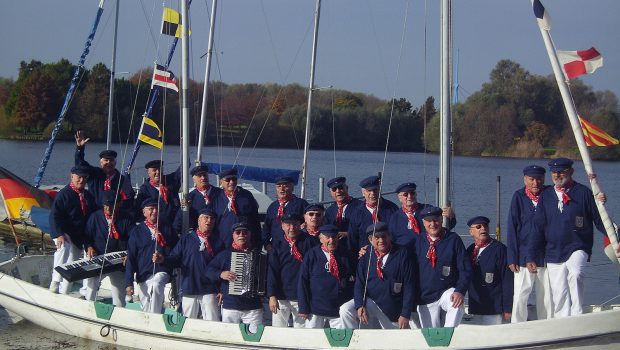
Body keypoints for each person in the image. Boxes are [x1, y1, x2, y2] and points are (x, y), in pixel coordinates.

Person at [528, 157, 609, 318]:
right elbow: (537, 227)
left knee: (576, 273)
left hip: (577, 246)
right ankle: (563, 320)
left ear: (571, 172)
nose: (557, 175)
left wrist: (615, 237)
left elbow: (599, 220)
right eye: (554, 172)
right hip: (553, 250)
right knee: (559, 291)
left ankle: (577, 313)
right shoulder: (546, 196)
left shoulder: (584, 193)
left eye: (561, 172)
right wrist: (531, 255)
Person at [340, 222, 415, 329]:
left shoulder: (402, 253)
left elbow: (409, 285)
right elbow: (359, 283)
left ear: (389, 236)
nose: (381, 241)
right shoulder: (366, 255)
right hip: (371, 302)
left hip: (392, 308)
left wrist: (405, 313)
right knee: (345, 309)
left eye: (384, 236)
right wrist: (359, 305)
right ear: (370, 240)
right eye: (376, 237)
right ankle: (353, 342)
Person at [153, 208, 224, 320]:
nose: (209, 221)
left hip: (210, 290)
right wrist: (163, 260)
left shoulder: (218, 243)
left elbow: (223, 267)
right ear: (199, 220)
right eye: (206, 217)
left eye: (212, 219)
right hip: (189, 288)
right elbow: (175, 258)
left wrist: (222, 289)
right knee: (187, 322)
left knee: (213, 322)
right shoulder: (186, 240)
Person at [507, 164, 553, 322]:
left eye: (539, 179)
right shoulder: (518, 197)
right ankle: (517, 326)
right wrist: (512, 257)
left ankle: (548, 326)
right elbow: (512, 228)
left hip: (547, 256)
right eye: (531, 179)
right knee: (520, 294)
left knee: (547, 296)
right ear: (524, 179)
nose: (535, 183)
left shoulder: (550, 195)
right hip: (523, 256)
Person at [415, 206, 471, 328]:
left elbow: (465, 269)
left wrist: (460, 290)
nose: (433, 224)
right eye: (429, 221)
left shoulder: (453, 239)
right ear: (423, 223)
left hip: (447, 290)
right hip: (425, 295)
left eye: (436, 220)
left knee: (456, 304)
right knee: (430, 333)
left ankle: (448, 334)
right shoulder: (417, 242)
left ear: (441, 220)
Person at [206, 221, 263, 331]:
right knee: (229, 335)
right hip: (231, 305)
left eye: (245, 232)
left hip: (253, 307)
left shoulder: (259, 255)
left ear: (250, 234)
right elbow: (208, 271)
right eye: (238, 232)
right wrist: (221, 274)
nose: (241, 235)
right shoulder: (225, 254)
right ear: (233, 235)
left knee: (254, 338)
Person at [49, 166, 96, 294]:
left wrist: (88, 243)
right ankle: (56, 281)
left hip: (78, 234)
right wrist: (59, 234)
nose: (81, 180)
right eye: (78, 177)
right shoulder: (64, 194)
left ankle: (64, 292)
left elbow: (89, 220)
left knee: (72, 264)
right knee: (63, 247)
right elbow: (54, 215)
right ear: (72, 176)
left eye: (84, 178)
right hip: (63, 231)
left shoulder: (87, 196)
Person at [125, 199, 178, 314]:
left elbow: (177, 254)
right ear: (144, 213)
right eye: (151, 209)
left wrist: (164, 259)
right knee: (146, 307)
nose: (154, 211)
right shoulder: (137, 232)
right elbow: (131, 258)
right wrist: (129, 283)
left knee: (156, 284)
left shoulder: (167, 229)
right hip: (143, 274)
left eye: (156, 209)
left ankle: (155, 317)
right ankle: (149, 322)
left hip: (162, 271)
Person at [298, 224, 354, 329]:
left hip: (338, 308)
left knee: (339, 341)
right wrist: (303, 307)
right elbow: (303, 281)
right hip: (315, 309)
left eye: (334, 237)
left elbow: (353, 278)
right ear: (320, 239)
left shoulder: (346, 254)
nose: (332, 240)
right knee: (312, 341)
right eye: (328, 237)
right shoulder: (311, 255)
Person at [84, 189, 133, 306]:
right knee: (92, 282)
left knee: (119, 295)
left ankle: (119, 312)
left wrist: (129, 254)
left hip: (118, 260)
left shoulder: (126, 218)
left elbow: (133, 239)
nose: (108, 210)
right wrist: (89, 247)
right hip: (99, 257)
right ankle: (88, 305)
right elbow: (87, 236)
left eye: (111, 206)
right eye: (106, 206)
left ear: (119, 204)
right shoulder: (95, 217)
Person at [267, 213, 315, 328]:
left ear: (301, 225)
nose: (292, 228)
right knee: (278, 330)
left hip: (301, 296)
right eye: (288, 225)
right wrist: (272, 295)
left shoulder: (309, 242)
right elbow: (272, 271)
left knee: (301, 332)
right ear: (282, 226)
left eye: (295, 224)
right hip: (281, 296)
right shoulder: (277, 244)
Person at [466, 216, 513, 325]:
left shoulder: (500, 250)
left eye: (485, 226)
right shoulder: (470, 250)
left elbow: (508, 281)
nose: (483, 229)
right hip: (476, 306)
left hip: (494, 307)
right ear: (471, 232)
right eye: (478, 227)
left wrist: (508, 308)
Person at [74, 130, 134, 212]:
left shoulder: (122, 179)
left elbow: (129, 197)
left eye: (111, 160)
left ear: (115, 162)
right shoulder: (94, 174)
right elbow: (80, 165)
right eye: (106, 160)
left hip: (114, 214)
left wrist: (118, 208)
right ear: (101, 162)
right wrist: (80, 149)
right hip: (95, 212)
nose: (109, 163)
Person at [389, 182, 455, 252]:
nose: (409, 196)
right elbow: (391, 240)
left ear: (416, 194)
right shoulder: (395, 217)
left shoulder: (427, 209)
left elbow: (445, 226)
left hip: (427, 252)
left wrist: (451, 217)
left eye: (412, 193)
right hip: (406, 255)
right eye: (406, 194)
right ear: (400, 198)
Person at [347, 175, 398, 259]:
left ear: (380, 190)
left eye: (375, 190)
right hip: (366, 257)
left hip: (390, 256)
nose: (372, 194)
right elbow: (352, 240)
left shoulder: (392, 209)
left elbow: (398, 234)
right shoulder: (356, 213)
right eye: (369, 191)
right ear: (363, 192)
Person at [212, 168, 261, 248]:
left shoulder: (247, 196)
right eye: (228, 179)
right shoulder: (216, 197)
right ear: (221, 182)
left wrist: (258, 242)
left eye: (234, 179)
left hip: (245, 243)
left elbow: (255, 221)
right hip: (223, 245)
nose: (231, 182)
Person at [262, 176, 308, 250]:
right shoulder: (273, 206)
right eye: (279, 186)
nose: (281, 189)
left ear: (292, 188)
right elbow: (266, 228)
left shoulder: (301, 204)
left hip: (296, 245)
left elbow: (310, 222)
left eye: (285, 186)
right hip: (276, 246)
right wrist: (266, 243)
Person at [135, 160, 181, 224]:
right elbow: (138, 210)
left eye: (160, 169)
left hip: (173, 225)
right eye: (154, 170)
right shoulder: (144, 190)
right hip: (157, 226)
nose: (158, 172)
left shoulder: (171, 180)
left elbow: (183, 169)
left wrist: (184, 152)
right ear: (148, 172)